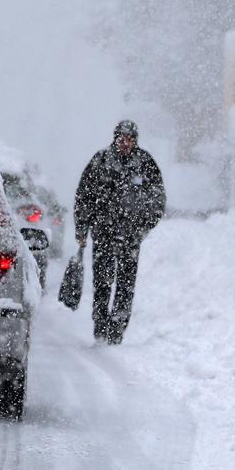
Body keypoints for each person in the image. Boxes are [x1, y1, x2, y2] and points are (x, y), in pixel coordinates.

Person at [73, 120, 166, 344]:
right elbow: (83, 196)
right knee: (102, 282)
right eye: (121, 138)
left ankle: (117, 330)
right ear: (115, 138)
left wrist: (143, 226)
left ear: (135, 140)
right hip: (103, 233)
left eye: (130, 139)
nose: (125, 142)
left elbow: (158, 199)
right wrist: (82, 228)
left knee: (125, 285)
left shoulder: (145, 163)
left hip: (130, 236)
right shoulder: (101, 160)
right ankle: (100, 327)